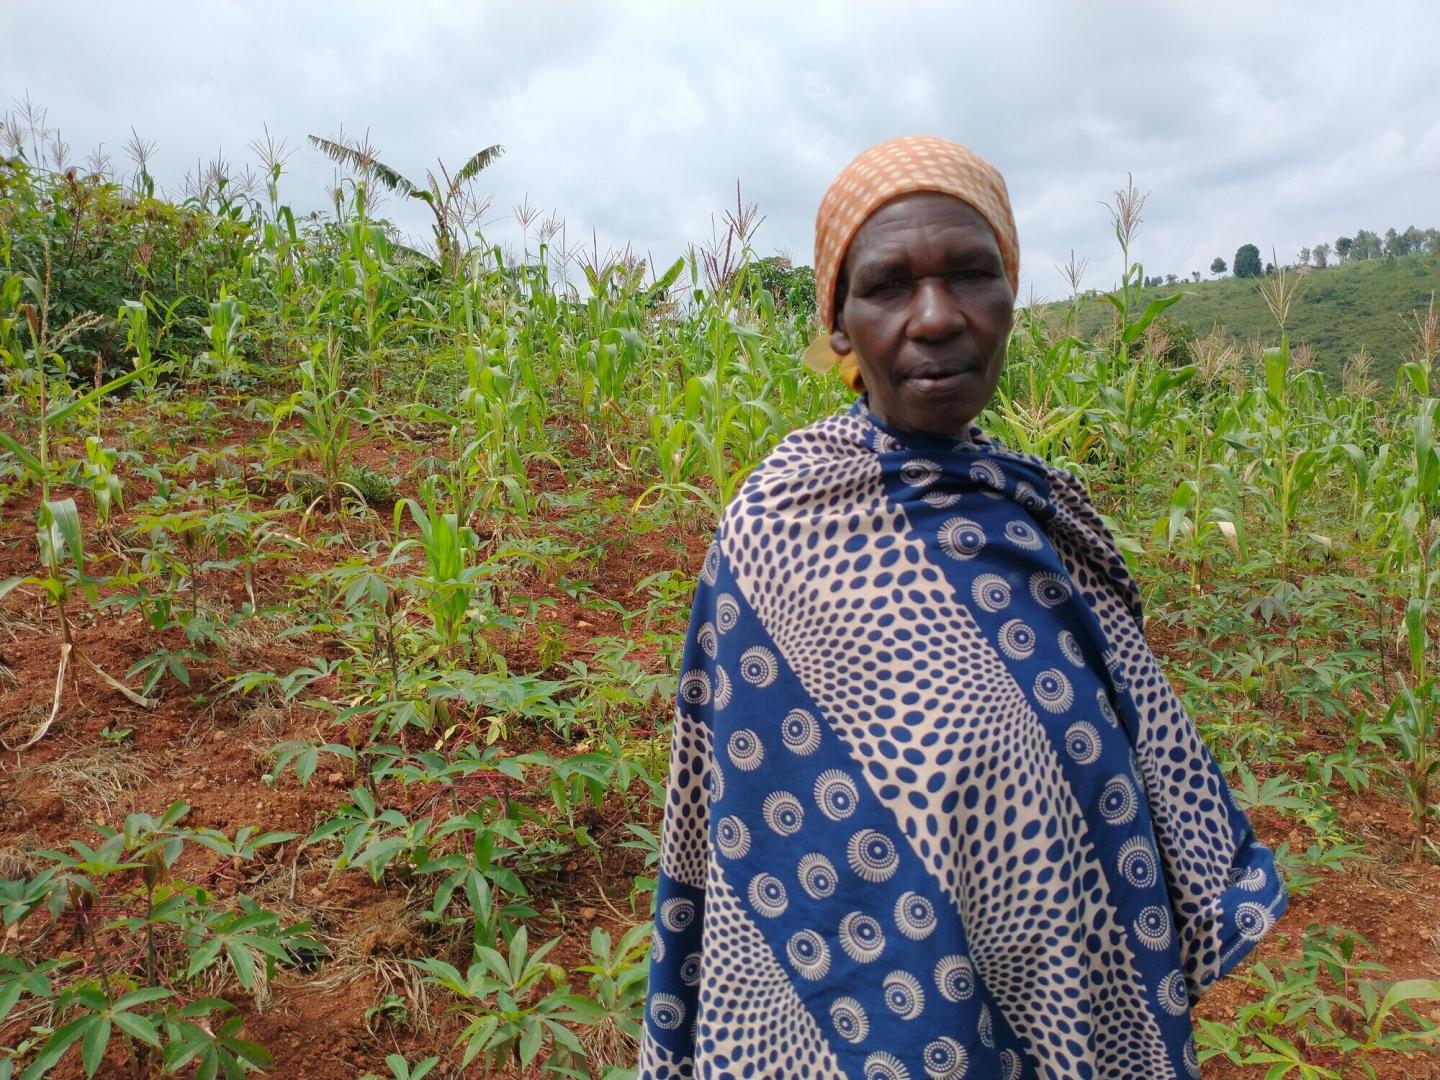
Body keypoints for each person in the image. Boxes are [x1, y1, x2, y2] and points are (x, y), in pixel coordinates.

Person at [637, 136, 1286, 1080]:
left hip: (1067, 985)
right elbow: (740, 821)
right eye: (889, 285)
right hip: (862, 1005)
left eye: (972, 274)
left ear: (1010, 298)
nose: (936, 318)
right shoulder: (776, 533)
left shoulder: (1043, 516)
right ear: (841, 325)